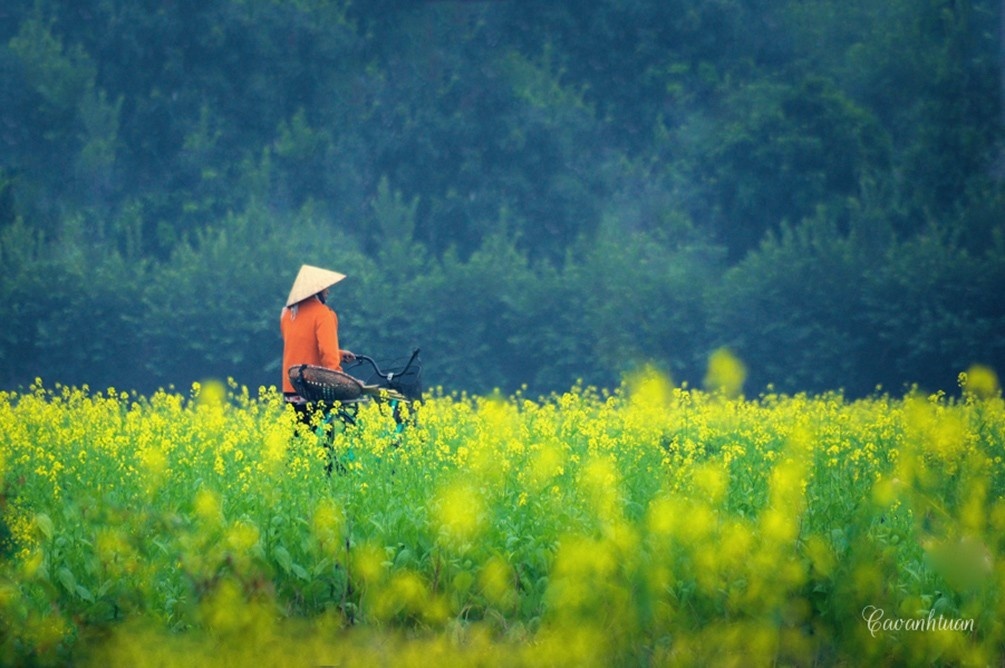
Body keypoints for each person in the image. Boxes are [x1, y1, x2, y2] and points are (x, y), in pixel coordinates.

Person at [280, 264, 355, 412]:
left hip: (291, 388)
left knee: (300, 433)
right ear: (317, 291)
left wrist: (339, 354)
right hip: (313, 388)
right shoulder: (323, 314)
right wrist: (339, 381)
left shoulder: (287, 314)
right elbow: (328, 354)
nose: (328, 291)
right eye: (325, 288)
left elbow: (300, 346)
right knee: (322, 432)